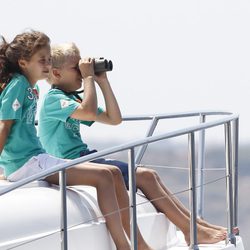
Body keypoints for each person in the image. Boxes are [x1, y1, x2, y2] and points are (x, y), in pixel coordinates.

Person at [38, 42, 229, 246]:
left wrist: (102, 82)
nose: (82, 71)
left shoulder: (71, 98)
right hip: (70, 161)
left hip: (84, 155)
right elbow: (90, 111)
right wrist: (89, 79)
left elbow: (114, 118)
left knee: (150, 174)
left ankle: (194, 224)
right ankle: (189, 229)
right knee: (145, 176)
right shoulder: (54, 100)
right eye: (76, 68)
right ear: (57, 74)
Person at [0, 30, 153, 250]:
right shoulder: (19, 85)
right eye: (42, 60)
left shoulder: (30, 88)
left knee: (113, 173)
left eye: (49, 59)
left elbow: (112, 119)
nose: (46, 64)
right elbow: (4, 126)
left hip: (35, 159)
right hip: (26, 163)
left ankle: (138, 243)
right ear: (23, 62)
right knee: (103, 176)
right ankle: (125, 246)